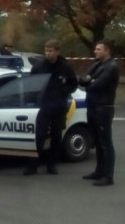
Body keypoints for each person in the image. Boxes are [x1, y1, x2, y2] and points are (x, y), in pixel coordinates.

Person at [25, 39, 78, 175]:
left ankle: (51, 164)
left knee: (56, 136)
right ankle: (33, 165)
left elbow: (73, 84)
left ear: (57, 52)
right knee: (40, 135)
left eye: (50, 51)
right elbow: (31, 84)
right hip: (42, 106)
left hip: (59, 107)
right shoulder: (39, 66)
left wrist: (64, 91)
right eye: (46, 51)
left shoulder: (65, 67)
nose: (47, 53)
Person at [78, 39, 119, 186]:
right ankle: (99, 171)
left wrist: (90, 81)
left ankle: (108, 176)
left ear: (107, 51)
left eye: (98, 49)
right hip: (93, 106)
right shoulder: (97, 64)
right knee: (97, 141)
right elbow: (82, 80)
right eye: (95, 49)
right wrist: (89, 80)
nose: (95, 51)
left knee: (105, 142)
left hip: (103, 108)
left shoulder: (111, 67)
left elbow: (95, 86)